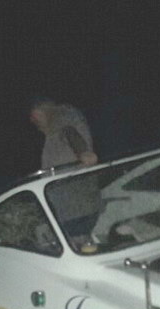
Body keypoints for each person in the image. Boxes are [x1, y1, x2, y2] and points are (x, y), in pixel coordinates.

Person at [29, 98, 101, 243]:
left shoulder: (62, 119)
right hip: (71, 205)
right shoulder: (52, 131)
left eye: (34, 116)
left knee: (76, 242)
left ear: (43, 109)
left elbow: (71, 134)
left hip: (75, 205)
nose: (33, 121)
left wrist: (84, 153)